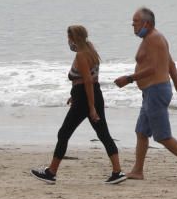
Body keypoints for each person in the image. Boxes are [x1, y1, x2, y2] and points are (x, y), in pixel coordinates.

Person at [30, 25, 126, 185]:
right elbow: (87, 80)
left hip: (85, 98)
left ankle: (51, 172)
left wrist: (91, 107)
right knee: (103, 133)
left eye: (68, 38)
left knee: (64, 133)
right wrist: (74, 96)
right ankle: (117, 172)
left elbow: (88, 81)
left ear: (74, 38)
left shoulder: (82, 55)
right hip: (91, 94)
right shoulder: (91, 51)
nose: (68, 41)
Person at [114, 7, 177, 181]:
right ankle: (138, 171)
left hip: (156, 91)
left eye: (136, 22)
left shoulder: (155, 39)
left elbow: (153, 68)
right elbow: (171, 65)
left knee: (162, 135)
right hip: (150, 92)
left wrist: (129, 79)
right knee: (141, 132)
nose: (133, 25)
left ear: (147, 23)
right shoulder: (150, 39)